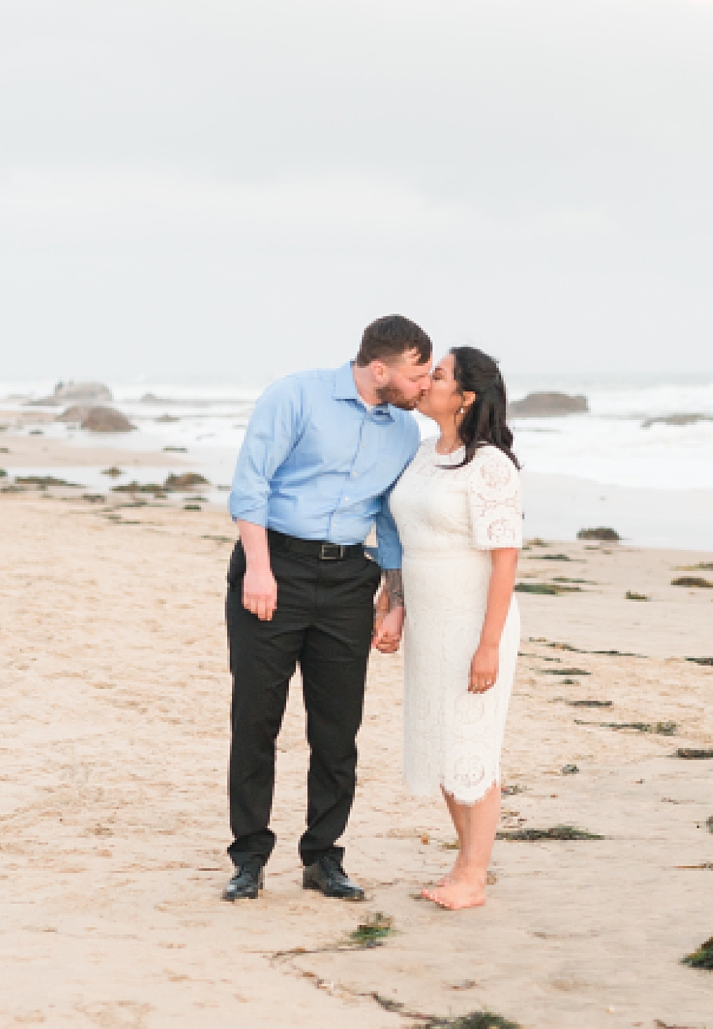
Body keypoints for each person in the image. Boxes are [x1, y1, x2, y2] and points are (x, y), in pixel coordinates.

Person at [221, 316, 432, 903]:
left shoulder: (404, 434)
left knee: (338, 728)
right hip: (275, 567)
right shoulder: (295, 395)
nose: (423, 386)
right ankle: (250, 858)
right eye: (417, 374)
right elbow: (251, 485)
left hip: (348, 580)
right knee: (256, 719)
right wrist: (260, 570)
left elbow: (389, 520)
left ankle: (323, 857)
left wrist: (395, 599)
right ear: (380, 368)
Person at [379, 347, 523, 911]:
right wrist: (394, 607)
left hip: (473, 623)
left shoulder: (489, 465)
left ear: (464, 397)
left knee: (473, 744)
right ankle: (464, 862)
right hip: (429, 621)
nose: (426, 382)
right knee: (440, 742)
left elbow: (505, 560)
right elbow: (408, 542)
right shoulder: (421, 454)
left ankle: (475, 876)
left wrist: (487, 645)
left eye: (436, 375)